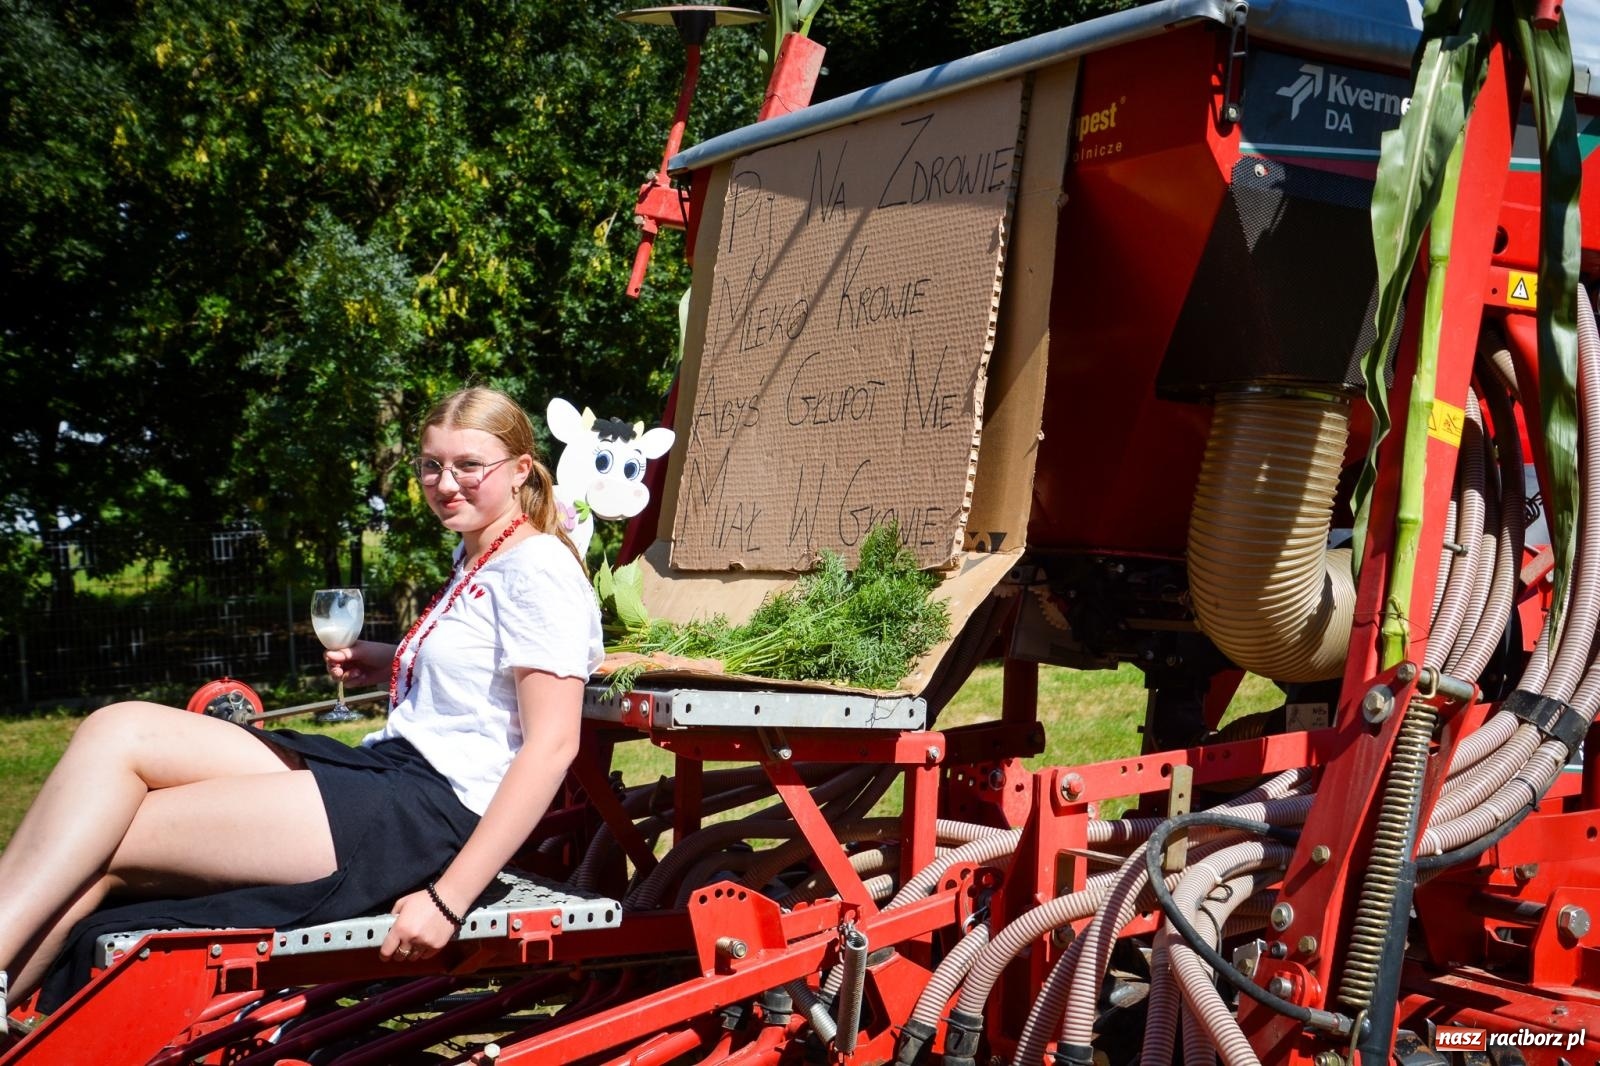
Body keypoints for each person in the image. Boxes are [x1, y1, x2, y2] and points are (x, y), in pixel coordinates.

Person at [0, 386, 604, 1028]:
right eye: (432, 465)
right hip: (387, 773)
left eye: (468, 466)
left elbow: (551, 746)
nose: (445, 483)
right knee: (118, 728)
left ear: (520, 469)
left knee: (103, 838)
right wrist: (391, 657)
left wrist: (448, 900)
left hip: (426, 814)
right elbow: (485, 675)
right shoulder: (480, 549)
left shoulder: (536, 568)